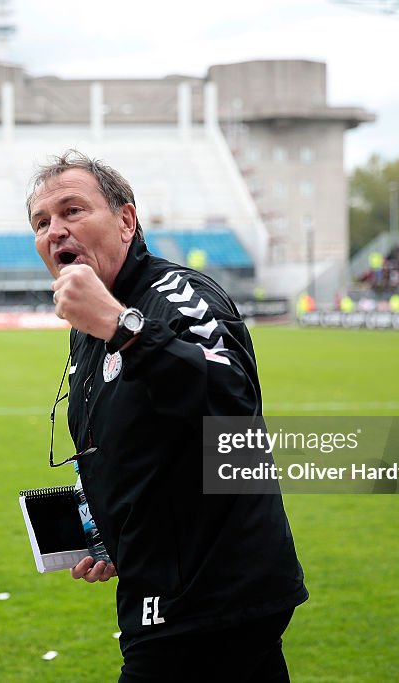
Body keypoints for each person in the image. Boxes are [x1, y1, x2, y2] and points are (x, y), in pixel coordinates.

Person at [27, 150, 308, 682]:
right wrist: (111, 534)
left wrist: (122, 326)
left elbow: (232, 407)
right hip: (167, 582)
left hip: (209, 593)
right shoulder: (93, 324)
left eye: (72, 211)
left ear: (126, 220)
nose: (55, 230)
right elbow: (137, 444)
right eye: (42, 223)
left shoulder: (176, 296)